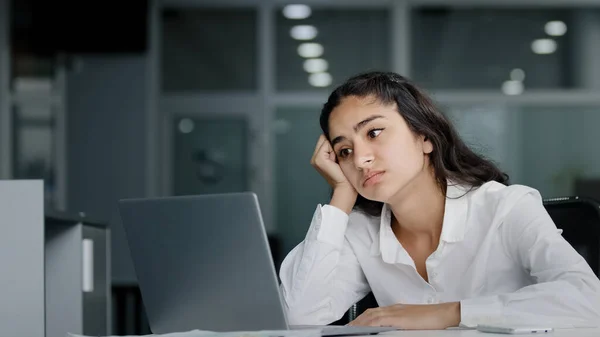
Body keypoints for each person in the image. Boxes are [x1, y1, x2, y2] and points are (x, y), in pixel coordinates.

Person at [278, 71, 600, 330]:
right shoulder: (362, 231)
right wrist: (342, 195)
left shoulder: (506, 209)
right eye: (344, 151)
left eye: (374, 132)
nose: (360, 159)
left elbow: (590, 300)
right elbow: (300, 315)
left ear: (425, 138)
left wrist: (452, 313)